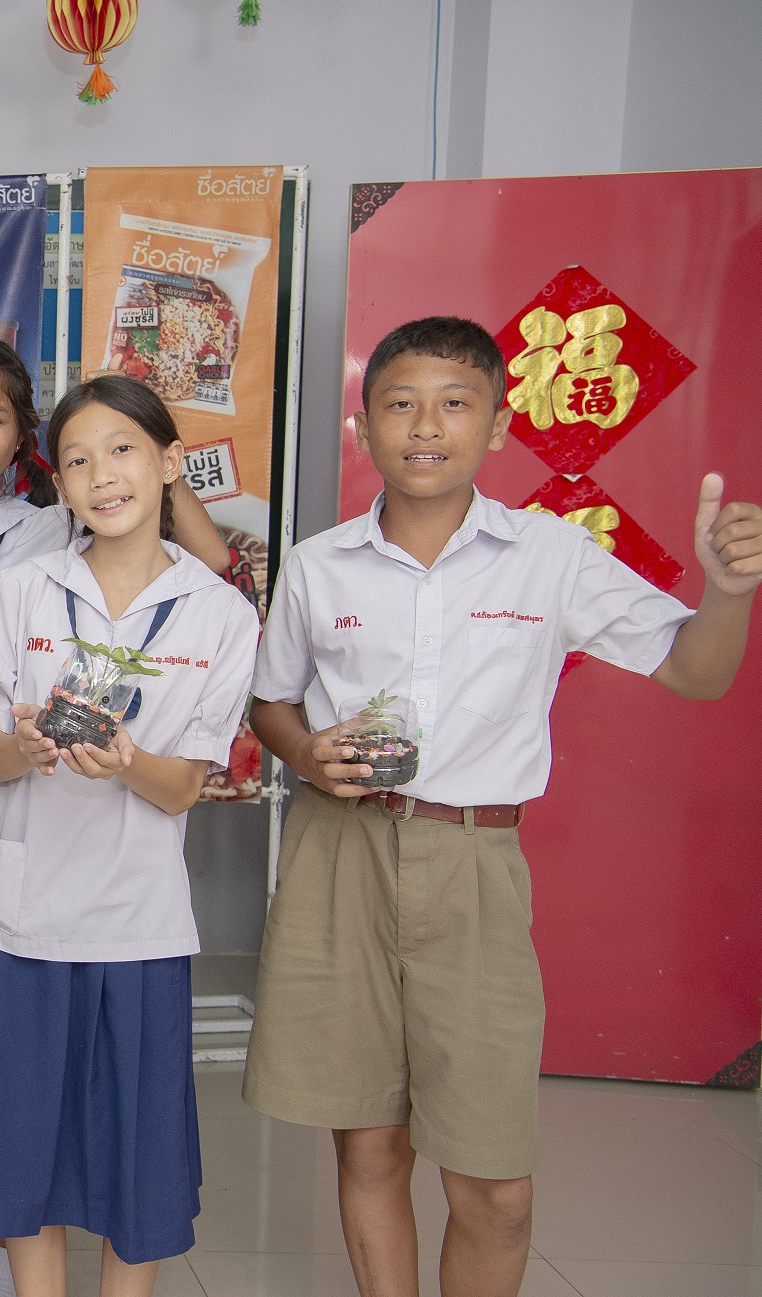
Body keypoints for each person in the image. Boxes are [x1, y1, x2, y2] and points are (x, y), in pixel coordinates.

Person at [242, 316, 761, 1297]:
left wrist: (728, 590)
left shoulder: (550, 555)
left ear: (497, 425)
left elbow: (694, 671)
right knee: (369, 1144)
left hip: (473, 865)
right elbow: (270, 702)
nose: (424, 425)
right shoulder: (319, 563)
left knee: (495, 1185)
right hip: (340, 854)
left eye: (453, 403)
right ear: (362, 426)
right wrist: (305, 752)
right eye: (398, 403)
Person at [0, 340, 231, 1297]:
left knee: (135, 1163)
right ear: (59, 480)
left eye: (122, 450)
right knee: (17, 1155)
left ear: (168, 462)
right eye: (78, 459)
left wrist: (127, 761)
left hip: (137, 924)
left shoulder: (218, 614)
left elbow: (182, 787)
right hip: (21, 921)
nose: (101, 475)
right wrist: (32, 744)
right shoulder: (24, 588)